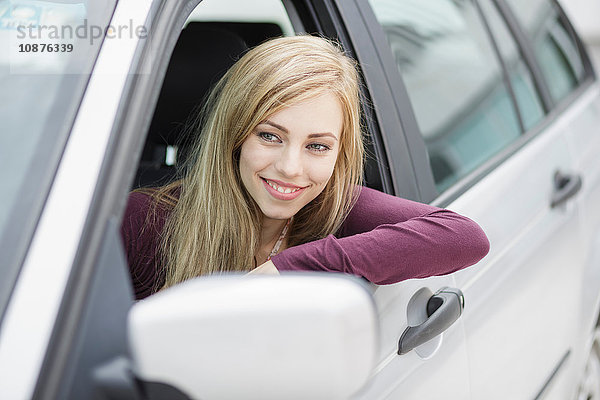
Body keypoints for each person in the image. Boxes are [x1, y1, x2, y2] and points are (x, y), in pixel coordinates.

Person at [121, 35, 490, 300]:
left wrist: (287, 269)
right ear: (235, 133)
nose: (291, 168)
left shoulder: (334, 207)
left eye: (317, 146)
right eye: (269, 136)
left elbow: (463, 236)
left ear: (339, 152)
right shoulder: (143, 221)